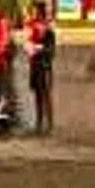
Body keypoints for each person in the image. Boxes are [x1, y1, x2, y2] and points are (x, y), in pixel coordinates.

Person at [25, 7, 58, 135]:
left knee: (46, 97)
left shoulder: (49, 33)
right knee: (37, 98)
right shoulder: (33, 34)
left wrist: (39, 48)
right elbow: (28, 48)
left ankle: (49, 125)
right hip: (35, 68)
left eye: (37, 18)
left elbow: (52, 52)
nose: (35, 22)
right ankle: (39, 123)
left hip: (45, 69)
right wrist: (30, 48)